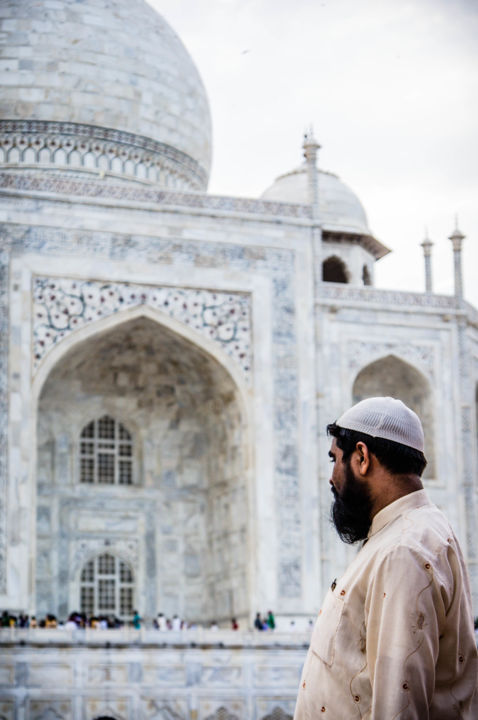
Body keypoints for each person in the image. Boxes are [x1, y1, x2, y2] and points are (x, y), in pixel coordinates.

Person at [294, 397, 478, 719]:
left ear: (362, 457)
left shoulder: (403, 550)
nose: (331, 476)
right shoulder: (403, 535)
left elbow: (399, 706)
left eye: (335, 459)